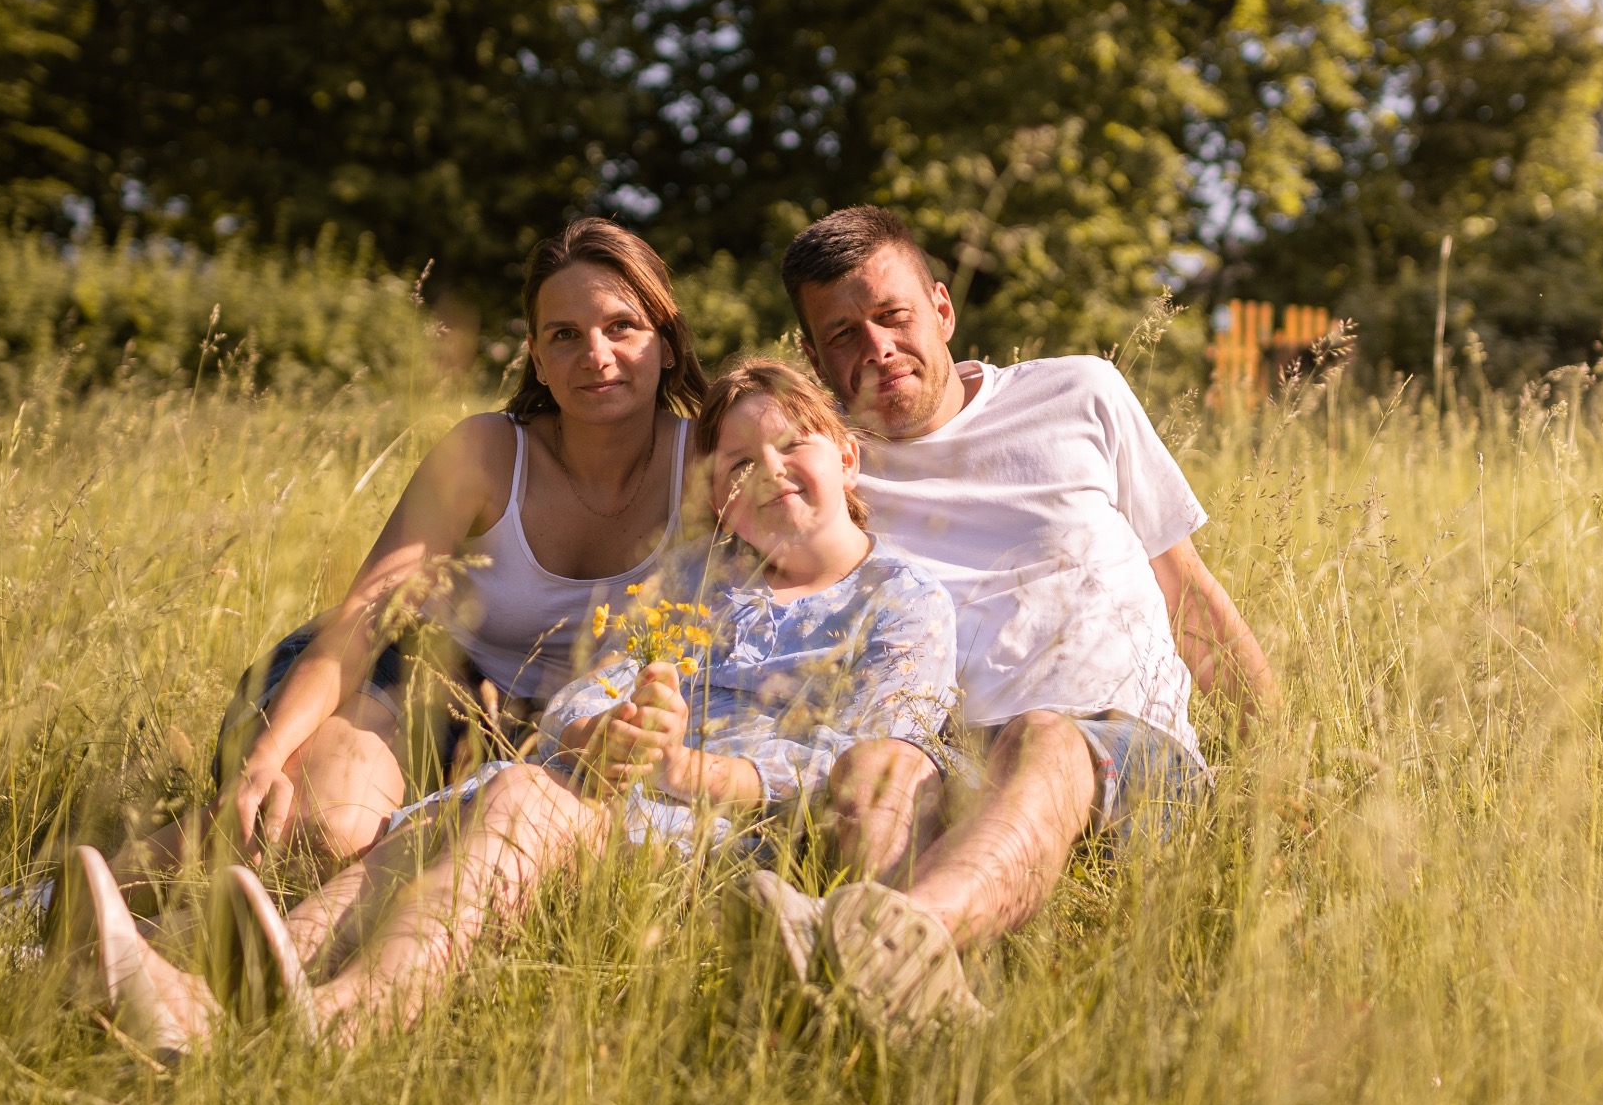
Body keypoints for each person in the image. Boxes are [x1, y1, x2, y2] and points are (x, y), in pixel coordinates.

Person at [49, 359, 960, 1052]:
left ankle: (339, 1022)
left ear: (843, 449)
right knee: (416, 836)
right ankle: (195, 987)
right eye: (737, 464)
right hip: (590, 784)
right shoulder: (700, 579)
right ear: (718, 496)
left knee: (518, 801)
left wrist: (687, 766)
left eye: (791, 446)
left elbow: (874, 762)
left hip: (721, 840)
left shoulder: (902, 597)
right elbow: (594, 684)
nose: (769, 474)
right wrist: (604, 725)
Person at [734, 205, 1281, 1036]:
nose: (876, 347)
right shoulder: (827, 469)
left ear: (943, 310)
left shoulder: (1079, 392)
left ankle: (893, 941)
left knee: (1046, 734)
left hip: (1123, 754)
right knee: (872, 766)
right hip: (952, 766)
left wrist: (1283, 767)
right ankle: (915, 998)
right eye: (842, 334)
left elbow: (1189, 592)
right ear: (812, 357)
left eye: (893, 315)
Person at [102, 217, 708, 909]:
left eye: (621, 326)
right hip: (408, 676)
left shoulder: (715, 464)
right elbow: (364, 617)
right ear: (537, 359)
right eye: (564, 335)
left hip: (550, 738)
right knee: (323, 832)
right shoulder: (487, 453)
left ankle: (166, 954)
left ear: (666, 341)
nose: (594, 354)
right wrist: (265, 759)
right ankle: (52, 909)